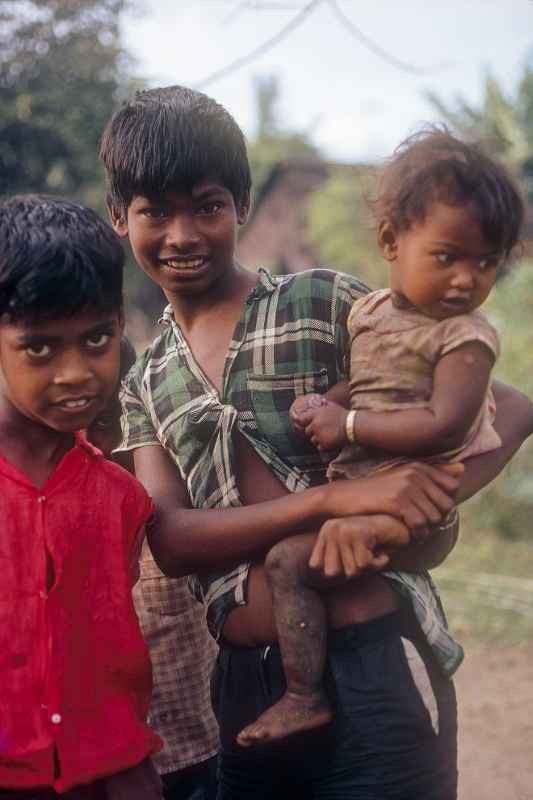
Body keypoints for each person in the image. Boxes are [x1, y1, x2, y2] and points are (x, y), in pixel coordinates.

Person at [100, 86, 533, 800]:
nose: (181, 235)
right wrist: (336, 499)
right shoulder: (145, 379)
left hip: (372, 659)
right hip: (244, 687)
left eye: (206, 206)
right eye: (154, 211)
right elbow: (172, 540)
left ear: (241, 204)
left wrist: (400, 510)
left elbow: (506, 409)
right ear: (120, 217)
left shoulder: (328, 303)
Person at [237, 127, 526, 746]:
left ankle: (303, 695)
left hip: (418, 512)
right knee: (287, 558)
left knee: (294, 559)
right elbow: (362, 383)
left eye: (486, 264)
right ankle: (308, 694)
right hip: (365, 491)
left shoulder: (465, 338)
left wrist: (346, 426)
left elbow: (442, 425)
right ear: (392, 240)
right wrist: (325, 401)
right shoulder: (368, 314)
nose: (465, 280)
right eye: (448, 257)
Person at [0, 196, 162, 800]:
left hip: (113, 776)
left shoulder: (122, 496)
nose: (74, 373)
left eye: (96, 339)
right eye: (39, 348)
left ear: (120, 325)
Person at [88, 339, 220, 800]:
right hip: (103, 763)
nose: (90, 438)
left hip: (197, 746)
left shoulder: (166, 489)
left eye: (105, 420)